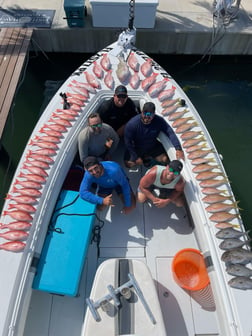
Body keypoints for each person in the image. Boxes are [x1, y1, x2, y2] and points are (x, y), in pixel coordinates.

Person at [124, 102, 184, 168]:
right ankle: (144, 158)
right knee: (129, 164)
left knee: (165, 159)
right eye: (145, 113)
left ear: (154, 114)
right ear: (142, 112)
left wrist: (178, 148)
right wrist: (135, 156)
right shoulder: (132, 124)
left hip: (152, 146)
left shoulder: (159, 121)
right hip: (137, 147)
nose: (147, 116)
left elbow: (170, 132)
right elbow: (128, 142)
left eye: (150, 114)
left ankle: (148, 158)